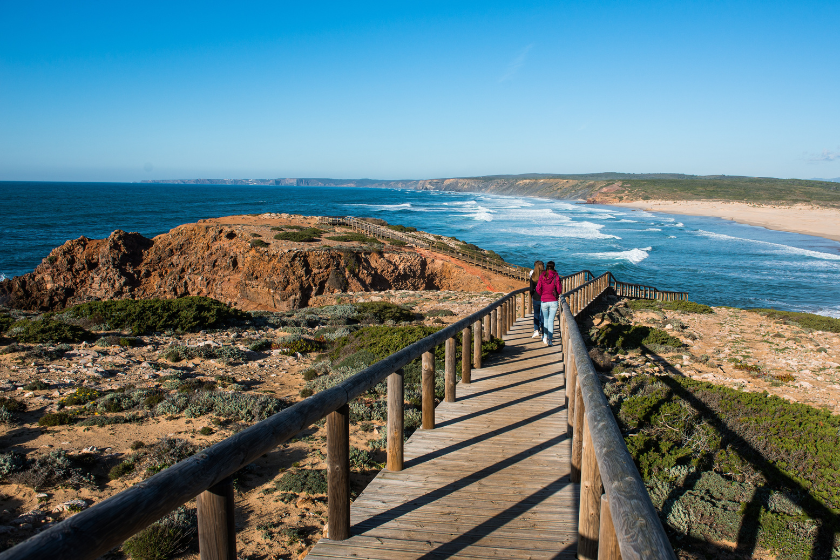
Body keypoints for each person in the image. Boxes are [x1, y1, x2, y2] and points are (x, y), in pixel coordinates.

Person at [535, 261, 562, 346]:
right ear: (554, 267)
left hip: (544, 301)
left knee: (545, 320)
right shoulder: (556, 276)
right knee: (551, 321)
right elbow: (559, 290)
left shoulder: (542, 276)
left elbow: (538, 289)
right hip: (553, 301)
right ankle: (550, 339)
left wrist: (543, 295)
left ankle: (545, 337)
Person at [529, 261, 545, 338]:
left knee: (536, 314)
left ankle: (536, 330)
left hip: (535, 297)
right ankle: (543, 333)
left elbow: (531, 289)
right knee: (543, 316)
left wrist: (532, 295)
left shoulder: (533, 276)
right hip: (544, 297)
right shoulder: (546, 275)